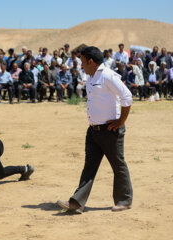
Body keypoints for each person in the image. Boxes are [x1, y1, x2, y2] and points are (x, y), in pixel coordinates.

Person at [57, 46, 133, 213]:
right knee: (89, 166)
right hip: (93, 130)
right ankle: (77, 202)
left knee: (117, 164)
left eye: (83, 62)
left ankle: (124, 200)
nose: (81, 65)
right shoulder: (90, 76)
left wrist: (121, 120)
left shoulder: (107, 75)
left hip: (110, 130)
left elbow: (127, 96)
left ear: (90, 61)